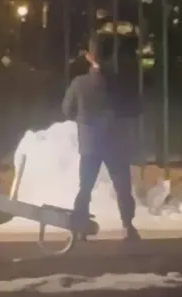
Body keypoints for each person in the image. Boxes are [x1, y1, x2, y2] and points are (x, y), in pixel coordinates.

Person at [62, 34, 141, 242]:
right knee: (122, 184)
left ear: (89, 57)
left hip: (89, 142)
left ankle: (79, 226)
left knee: (85, 185)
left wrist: (83, 120)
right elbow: (134, 107)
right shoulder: (119, 83)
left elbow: (66, 109)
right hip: (115, 140)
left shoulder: (79, 83)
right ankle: (127, 225)